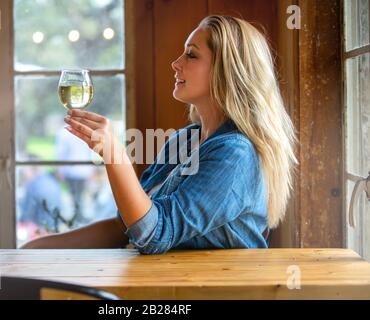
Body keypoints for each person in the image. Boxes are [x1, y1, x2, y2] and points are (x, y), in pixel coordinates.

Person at [21, 15, 297, 254]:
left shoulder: (235, 155)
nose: (176, 63)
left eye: (191, 54)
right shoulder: (185, 140)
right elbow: (128, 225)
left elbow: (153, 234)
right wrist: (39, 247)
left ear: (225, 72)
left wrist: (114, 155)